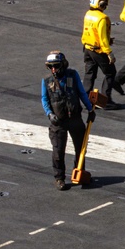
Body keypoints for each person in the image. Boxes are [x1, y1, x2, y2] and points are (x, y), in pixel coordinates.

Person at [41, 51, 95, 191]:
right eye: (50, 67)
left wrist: (90, 109)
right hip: (58, 122)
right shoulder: (46, 81)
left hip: (75, 118)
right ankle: (59, 178)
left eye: (56, 66)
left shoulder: (73, 75)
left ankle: (79, 172)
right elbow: (44, 99)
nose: (53, 69)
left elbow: (82, 93)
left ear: (63, 64)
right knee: (58, 151)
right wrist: (49, 114)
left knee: (81, 148)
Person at [81, 0, 122, 110]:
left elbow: (92, 32)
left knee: (90, 74)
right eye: (105, 3)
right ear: (101, 4)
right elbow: (102, 38)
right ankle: (106, 101)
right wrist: (109, 53)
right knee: (110, 73)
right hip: (98, 51)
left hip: (87, 49)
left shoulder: (88, 14)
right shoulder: (102, 18)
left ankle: (86, 100)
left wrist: (108, 40)